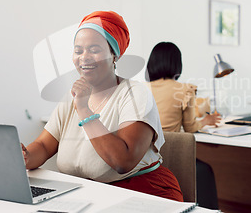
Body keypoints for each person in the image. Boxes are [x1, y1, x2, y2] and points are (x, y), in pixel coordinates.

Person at [22, 11, 183, 201]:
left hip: (142, 193)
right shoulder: (70, 98)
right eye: (78, 50)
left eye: (94, 49)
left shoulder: (136, 94)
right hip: (88, 194)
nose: (84, 57)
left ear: (114, 55)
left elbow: (122, 161)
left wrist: (83, 109)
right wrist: (25, 156)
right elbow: (43, 145)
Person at [145, 42, 221, 209]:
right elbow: (191, 127)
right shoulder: (184, 89)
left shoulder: (142, 88)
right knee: (205, 170)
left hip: (144, 157)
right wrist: (207, 121)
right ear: (177, 64)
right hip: (171, 155)